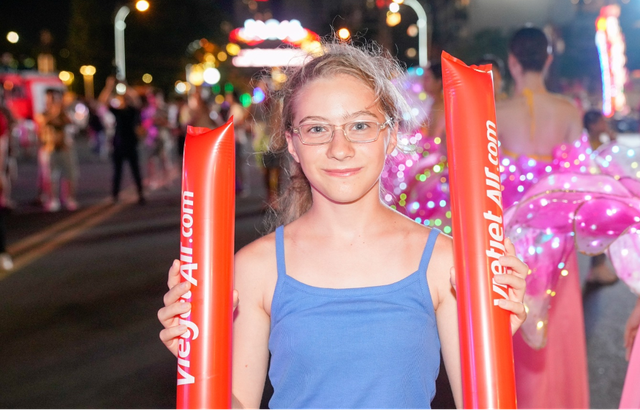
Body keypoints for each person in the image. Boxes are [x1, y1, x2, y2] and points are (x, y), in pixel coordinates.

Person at [158, 40, 529, 409]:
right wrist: (199, 364)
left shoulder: (444, 263)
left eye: (360, 125)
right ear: (292, 143)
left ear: (391, 135)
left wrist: (493, 340)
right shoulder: (256, 268)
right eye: (317, 129)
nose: (340, 149)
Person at [496, 26, 589, 409]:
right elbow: (578, 178)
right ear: (548, 60)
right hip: (557, 233)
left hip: (508, 235)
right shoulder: (568, 111)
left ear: (512, 62)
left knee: (512, 317)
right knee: (558, 319)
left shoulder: (496, 111)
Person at [583, 109, 619, 286]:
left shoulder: (599, 142)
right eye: (601, 122)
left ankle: (599, 267)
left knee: (603, 231)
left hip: (603, 194)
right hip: (594, 197)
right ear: (592, 125)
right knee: (599, 232)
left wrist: (612, 142)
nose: (605, 125)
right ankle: (597, 269)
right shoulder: (588, 145)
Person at [98, 76, 145, 204]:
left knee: (135, 171)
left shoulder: (133, 111)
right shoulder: (117, 111)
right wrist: (109, 87)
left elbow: (136, 100)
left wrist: (126, 86)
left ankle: (140, 193)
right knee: (118, 172)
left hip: (131, 144)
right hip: (119, 144)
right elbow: (103, 102)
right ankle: (115, 195)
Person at [36, 89, 79, 211]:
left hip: (65, 148)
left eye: (54, 98)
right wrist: (58, 109)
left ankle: (70, 198)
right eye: (50, 98)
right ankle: (53, 200)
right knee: (50, 176)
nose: (52, 101)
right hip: (50, 148)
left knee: (70, 174)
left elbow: (71, 122)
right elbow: (46, 121)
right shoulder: (44, 113)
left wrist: (62, 109)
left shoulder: (64, 113)